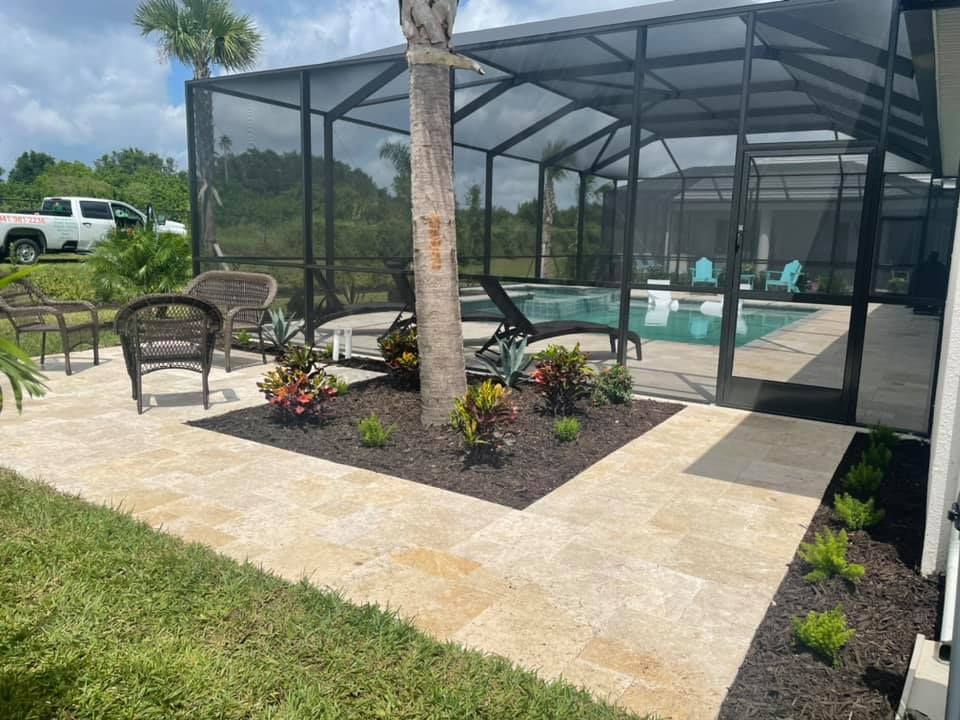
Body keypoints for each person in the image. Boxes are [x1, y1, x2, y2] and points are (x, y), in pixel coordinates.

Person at [909, 251, 948, 315]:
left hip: (928, 294)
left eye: (933, 256)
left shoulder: (923, 265)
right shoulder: (940, 267)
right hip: (927, 294)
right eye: (931, 256)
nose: (931, 257)